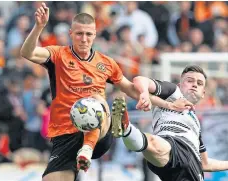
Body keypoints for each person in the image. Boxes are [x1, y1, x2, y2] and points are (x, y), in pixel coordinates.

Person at [20, 3, 193, 181]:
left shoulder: (106, 63)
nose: (84, 39)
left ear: (94, 35)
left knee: (95, 99)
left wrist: (169, 104)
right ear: (71, 34)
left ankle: (94, 142)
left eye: (88, 34)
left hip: (100, 130)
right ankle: (88, 149)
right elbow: (27, 53)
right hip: (65, 135)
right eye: (79, 34)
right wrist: (39, 27)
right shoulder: (58, 55)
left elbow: (132, 90)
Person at [111, 65, 228, 181]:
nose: (194, 84)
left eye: (199, 83)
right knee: (153, 145)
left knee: (154, 146)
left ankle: (127, 129)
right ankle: (125, 128)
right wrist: (144, 93)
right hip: (171, 147)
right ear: (180, 85)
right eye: (190, 80)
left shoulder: (196, 124)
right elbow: (139, 80)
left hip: (192, 167)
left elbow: (205, 164)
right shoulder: (173, 92)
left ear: (203, 93)